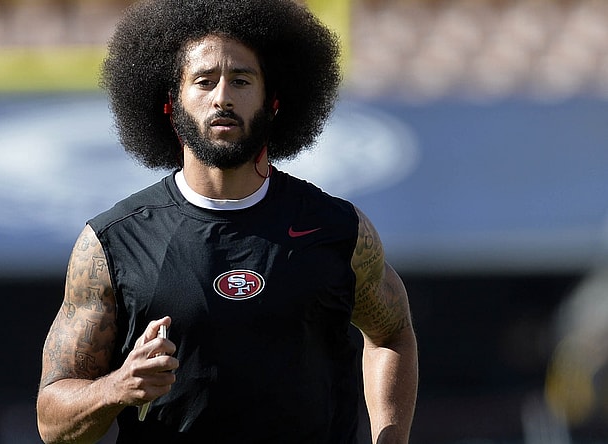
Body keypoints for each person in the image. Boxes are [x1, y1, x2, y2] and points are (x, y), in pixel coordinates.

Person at [36, 0, 418, 443]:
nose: (222, 97)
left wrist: (391, 438)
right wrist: (118, 387)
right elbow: (52, 424)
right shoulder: (112, 242)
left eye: (241, 80)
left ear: (273, 101)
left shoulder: (336, 228)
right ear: (169, 104)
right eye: (203, 81)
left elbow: (392, 334)